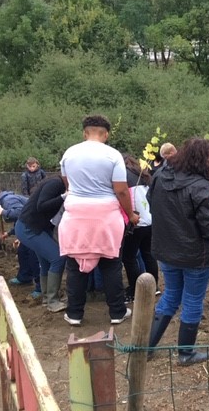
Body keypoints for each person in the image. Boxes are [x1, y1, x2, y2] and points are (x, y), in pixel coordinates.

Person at [147, 137, 209, 366]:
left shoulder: (160, 177)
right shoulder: (201, 187)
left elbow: (151, 202)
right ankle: (185, 353)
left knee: (171, 294)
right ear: (201, 159)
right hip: (196, 255)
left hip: (167, 250)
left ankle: (145, 347)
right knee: (193, 300)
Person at [58, 115, 139, 326]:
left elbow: (68, 185)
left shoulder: (69, 154)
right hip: (106, 216)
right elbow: (121, 190)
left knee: (75, 267)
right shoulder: (113, 155)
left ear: (85, 133)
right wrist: (130, 215)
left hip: (75, 215)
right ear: (106, 134)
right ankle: (117, 312)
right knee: (111, 265)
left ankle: (74, 314)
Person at [14, 176, 68, 312]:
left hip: (37, 227)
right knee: (58, 258)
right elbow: (41, 205)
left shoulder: (57, 183)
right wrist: (64, 196)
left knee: (46, 262)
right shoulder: (55, 183)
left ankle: (47, 299)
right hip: (29, 228)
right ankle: (52, 301)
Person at [0, 186, 41, 298]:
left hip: (36, 228)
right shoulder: (5, 200)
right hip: (29, 228)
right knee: (23, 253)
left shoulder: (8, 200)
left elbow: (20, 213)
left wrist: (3, 211)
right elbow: (21, 221)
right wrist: (9, 233)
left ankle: (41, 288)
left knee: (34, 258)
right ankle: (24, 277)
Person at [121, 154, 157, 302]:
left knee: (129, 258)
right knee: (148, 254)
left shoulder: (123, 176)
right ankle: (154, 286)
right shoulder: (144, 175)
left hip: (135, 222)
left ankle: (135, 290)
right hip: (150, 220)